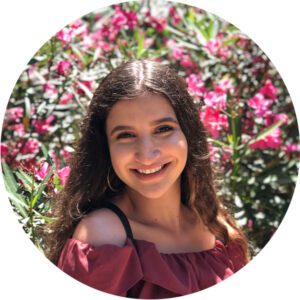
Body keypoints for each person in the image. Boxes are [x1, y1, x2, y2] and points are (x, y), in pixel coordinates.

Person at [44, 59, 251, 299]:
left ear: (188, 133)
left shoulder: (218, 228)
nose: (147, 154)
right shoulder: (103, 239)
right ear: (106, 148)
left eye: (163, 129)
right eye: (126, 135)